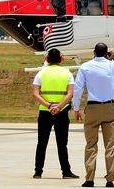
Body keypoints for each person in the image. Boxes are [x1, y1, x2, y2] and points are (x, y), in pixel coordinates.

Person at [72, 42, 114, 188]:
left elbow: (78, 88)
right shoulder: (112, 66)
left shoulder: (85, 67)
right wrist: (113, 86)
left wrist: (76, 108)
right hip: (109, 107)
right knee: (110, 145)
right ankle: (110, 179)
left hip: (93, 108)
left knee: (91, 145)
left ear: (93, 52)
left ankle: (89, 179)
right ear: (107, 53)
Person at [31, 47, 79, 180]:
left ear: (46, 59)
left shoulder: (41, 73)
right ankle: (66, 171)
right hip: (62, 112)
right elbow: (70, 93)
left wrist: (49, 105)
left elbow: (35, 93)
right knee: (62, 143)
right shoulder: (67, 73)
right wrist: (59, 106)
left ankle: (38, 172)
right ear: (61, 59)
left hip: (45, 112)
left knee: (42, 142)